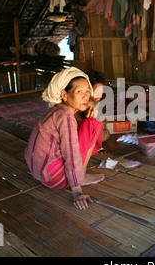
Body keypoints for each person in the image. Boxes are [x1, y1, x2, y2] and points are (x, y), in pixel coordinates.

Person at [25, 67, 105, 210]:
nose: (85, 96)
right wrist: (77, 191)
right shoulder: (66, 116)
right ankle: (81, 176)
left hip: (40, 173)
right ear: (64, 94)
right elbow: (71, 153)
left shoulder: (58, 110)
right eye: (79, 91)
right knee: (92, 124)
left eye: (87, 91)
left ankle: (78, 175)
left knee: (87, 122)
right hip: (54, 179)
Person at [84, 69, 110, 142]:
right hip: (84, 136)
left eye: (101, 90)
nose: (100, 94)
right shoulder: (84, 103)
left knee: (106, 133)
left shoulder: (95, 102)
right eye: (97, 91)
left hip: (93, 133)